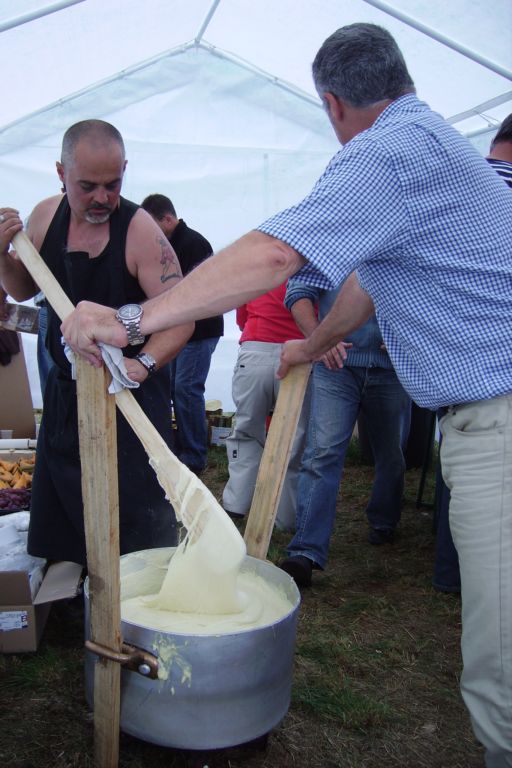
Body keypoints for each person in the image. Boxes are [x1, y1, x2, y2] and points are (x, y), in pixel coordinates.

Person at [60, 25, 512, 767]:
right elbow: (367, 279)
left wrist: (133, 320)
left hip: (499, 422)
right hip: (489, 416)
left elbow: (275, 254)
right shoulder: (434, 144)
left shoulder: (388, 153)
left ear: (332, 104)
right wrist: (311, 342)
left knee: (502, 667)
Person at [0, 119, 193, 566]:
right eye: (87, 186)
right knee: (66, 506)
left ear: (124, 171)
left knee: (136, 516)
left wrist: (143, 365)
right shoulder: (45, 217)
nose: (102, 198)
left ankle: (139, 587)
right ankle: (71, 584)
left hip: (131, 395)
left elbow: (182, 317)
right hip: (67, 393)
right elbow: (22, 287)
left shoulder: (140, 232)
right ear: (61, 173)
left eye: (112, 184)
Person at [279, 280, 411, 587]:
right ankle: (305, 551)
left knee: (391, 454)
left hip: (393, 369)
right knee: (321, 453)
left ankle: (384, 520)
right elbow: (298, 291)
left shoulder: (413, 247)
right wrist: (319, 339)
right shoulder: (330, 248)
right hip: (335, 366)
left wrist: (410, 338)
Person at [433, 111, 512, 593]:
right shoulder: (499, 191)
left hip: (457, 384)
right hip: (498, 385)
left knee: (461, 477)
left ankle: (451, 573)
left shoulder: (456, 188)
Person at [140, 194, 223, 474]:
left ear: (167, 219)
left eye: (153, 225)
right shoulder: (172, 243)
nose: (150, 232)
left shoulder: (193, 244)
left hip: (199, 331)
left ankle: (194, 455)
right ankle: (181, 449)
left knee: (186, 389)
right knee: (177, 389)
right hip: (181, 330)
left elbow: (202, 292)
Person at [221, 283, 310, 531]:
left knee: (246, 431)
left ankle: (235, 504)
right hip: (300, 351)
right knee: (293, 440)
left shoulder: (259, 270)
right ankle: (285, 516)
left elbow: (242, 318)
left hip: (256, 350)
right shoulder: (315, 268)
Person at [0, 278, 54, 397]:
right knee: (59, 384)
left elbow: (5, 267)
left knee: (56, 386)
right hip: (77, 302)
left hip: (54, 304)